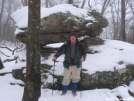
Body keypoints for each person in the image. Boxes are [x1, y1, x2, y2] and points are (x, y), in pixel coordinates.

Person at [53, 32, 86, 96]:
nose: (72, 37)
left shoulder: (79, 45)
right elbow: (60, 51)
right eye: (71, 36)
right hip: (67, 65)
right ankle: (64, 91)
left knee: (76, 78)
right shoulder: (66, 45)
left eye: (74, 36)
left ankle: (74, 91)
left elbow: (84, 54)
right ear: (70, 38)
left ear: (75, 37)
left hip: (77, 65)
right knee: (66, 79)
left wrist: (83, 57)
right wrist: (55, 56)